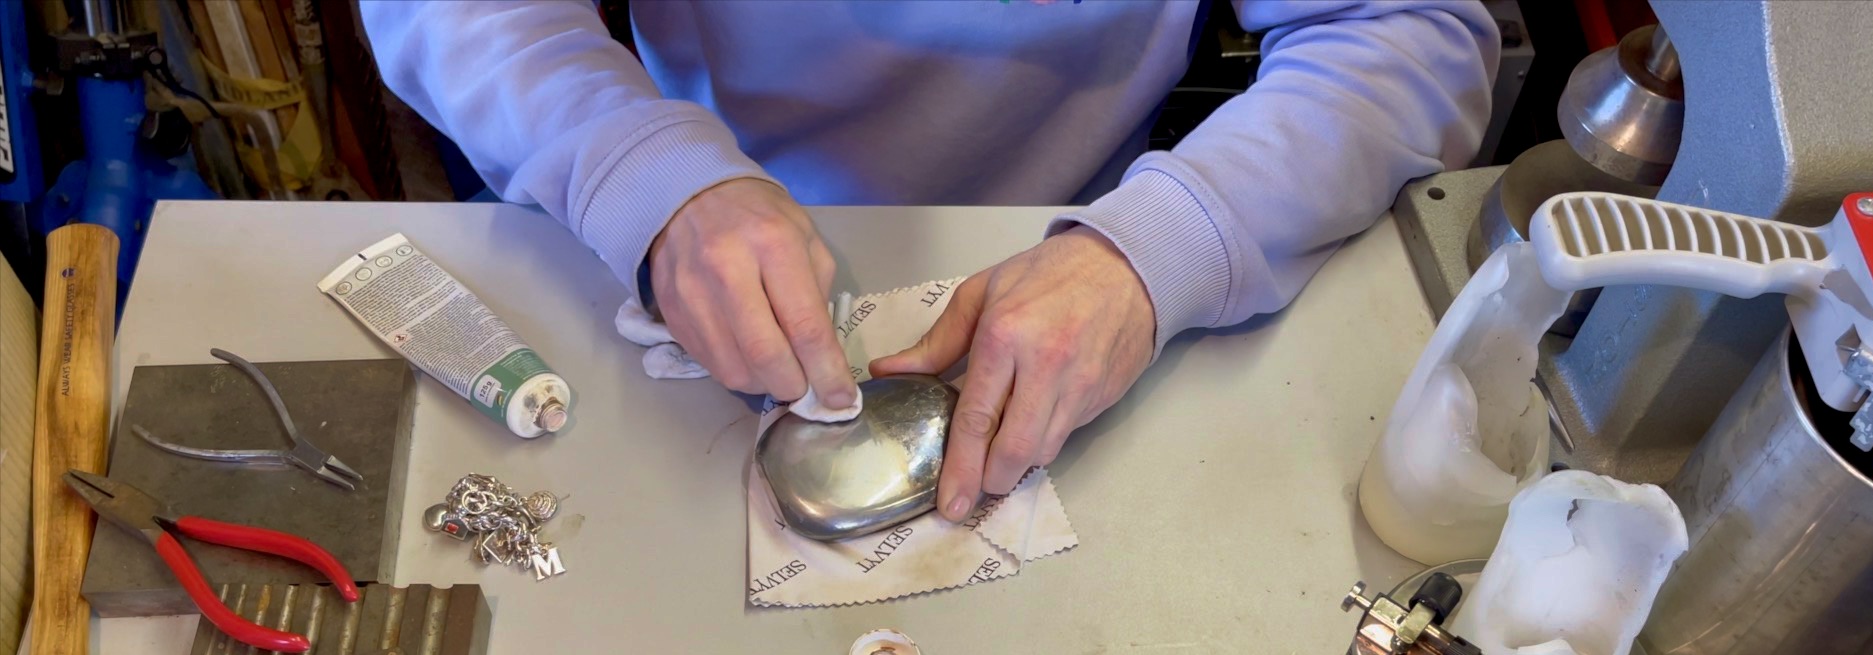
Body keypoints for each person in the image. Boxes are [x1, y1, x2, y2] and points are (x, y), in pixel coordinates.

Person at [364, 1, 1496, 522]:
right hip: (692, 220)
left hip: (1087, 252)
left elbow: (1406, 33)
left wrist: (1161, 249)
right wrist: (630, 167)